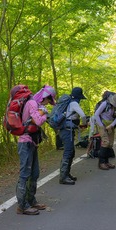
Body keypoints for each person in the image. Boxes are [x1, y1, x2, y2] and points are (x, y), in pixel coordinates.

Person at [16, 85, 56, 215]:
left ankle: (31, 201)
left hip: (32, 143)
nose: (48, 104)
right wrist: (44, 113)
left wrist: (43, 111)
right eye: (48, 101)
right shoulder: (33, 103)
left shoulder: (36, 104)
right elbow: (38, 121)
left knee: (34, 173)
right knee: (25, 175)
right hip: (25, 142)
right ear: (45, 97)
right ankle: (22, 206)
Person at [58, 87, 87, 185]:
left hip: (66, 130)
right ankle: (63, 177)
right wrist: (84, 124)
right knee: (68, 152)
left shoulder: (69, 102)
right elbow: (82, 115)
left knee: (71, 151)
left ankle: (67, 174)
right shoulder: (74, 103)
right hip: (67, 131)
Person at [93, 93, 116, 170]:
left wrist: (111, 125)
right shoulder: (105, 104)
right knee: (105, 142)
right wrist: (101, 126)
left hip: (110, 125)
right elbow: (96, 115)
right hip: (101, 124)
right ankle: (101, 162)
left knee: (110, 143)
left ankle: (107, 161)